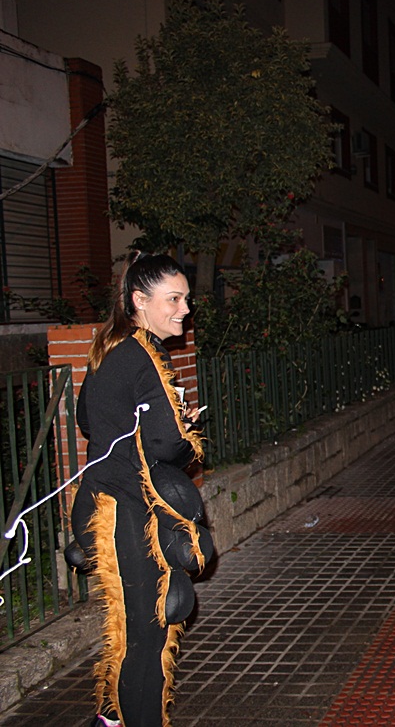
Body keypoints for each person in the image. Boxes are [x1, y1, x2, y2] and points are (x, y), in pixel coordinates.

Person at [71, 252, 208, 726]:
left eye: (185, 299)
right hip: (129, 514)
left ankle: (111, 720)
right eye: (173, 299)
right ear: (139, 300)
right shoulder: (145, 352)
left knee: (127, 628)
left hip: (100, 504)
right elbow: (168, 443)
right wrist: (185, 433)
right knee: (147, 636)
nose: (184, 309)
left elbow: (89, 420)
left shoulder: (108, 346)